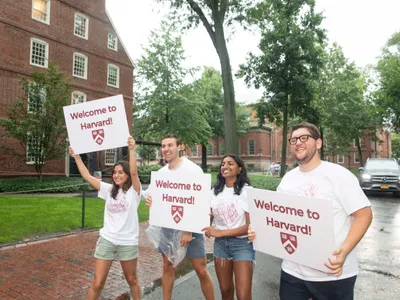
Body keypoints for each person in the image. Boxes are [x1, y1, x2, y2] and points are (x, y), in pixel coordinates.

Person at [248, 122, 372, 300]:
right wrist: (258, 231)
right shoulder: (288, 179)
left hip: (332, 273)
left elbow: (364, 214)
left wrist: (344, 251)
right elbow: (278, 219)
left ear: (318, 143)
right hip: (293, 272)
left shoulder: (339, 176)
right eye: (293, 140)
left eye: (304, 138)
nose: (298, 142)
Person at [69, 136, 141, 300]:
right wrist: (77, 157)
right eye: (114, 172)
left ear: (128, 175)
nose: (116, 175)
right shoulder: (108, 190)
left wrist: (131, 150)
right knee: (97, 282)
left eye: (120, 172)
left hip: (127, 241)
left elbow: (135, 172)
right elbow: (87, 176)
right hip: (107, 239)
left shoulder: (134, 191)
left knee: (132, 279)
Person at [145, 134, 215, 300]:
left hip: (191, 227)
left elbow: (201, 201)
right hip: (168, 226)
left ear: (179, 147)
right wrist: (151, 199)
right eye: (163, 146)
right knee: (167, 265)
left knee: (200, 269)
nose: (166, 149)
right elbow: (155, 196)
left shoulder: (192, 170)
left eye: (170, 145)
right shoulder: (161, 173)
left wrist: (188, 230)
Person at [202, 155, 255, 300]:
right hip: (221, 246)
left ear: (239, 169)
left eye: (230, 163)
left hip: (243, 245)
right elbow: (207, 217)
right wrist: (206, 223)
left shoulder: (247, 192)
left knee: (243, 295)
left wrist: (219, 232)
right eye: (223, 164)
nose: (225, 166)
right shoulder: (214, 192)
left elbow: (249, 226)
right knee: (225, 290)